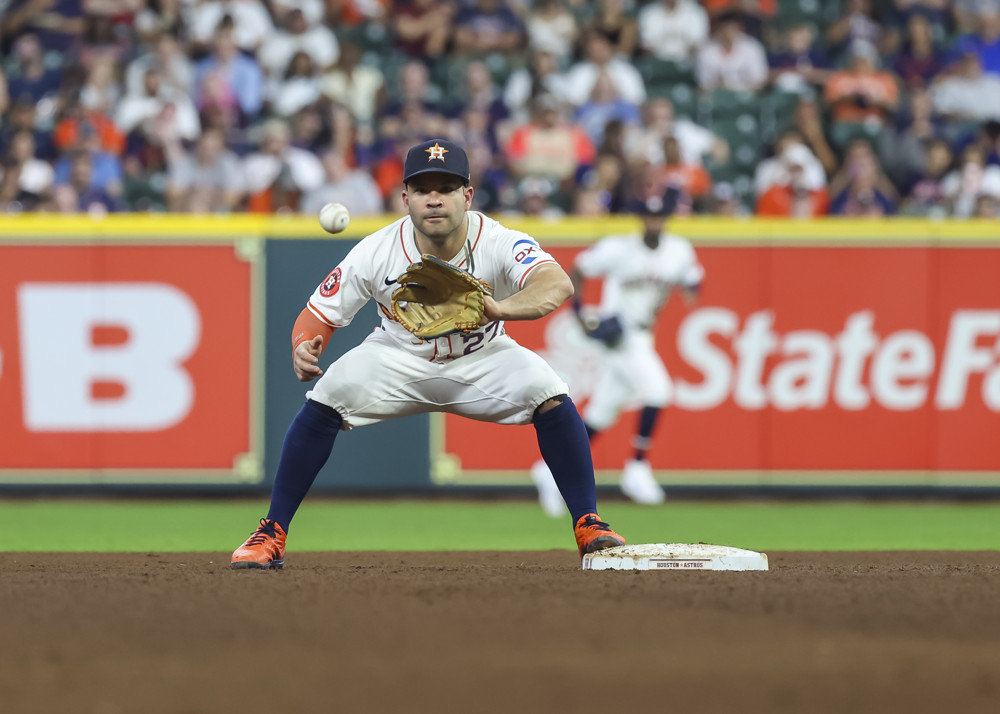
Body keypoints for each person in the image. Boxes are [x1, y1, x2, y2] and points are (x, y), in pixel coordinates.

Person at [231, 139, 626, 568]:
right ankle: (271, 532)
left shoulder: (496, 239)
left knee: (551, 394)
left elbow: (557, 284)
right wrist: (303, 346)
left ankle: (589, 523)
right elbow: (316, 315)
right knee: (325, 398)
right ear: (406, 199)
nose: (434, 198)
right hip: (399, 356)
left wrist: (499, 308)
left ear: (467, 196)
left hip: (483, 355)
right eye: (422, 189)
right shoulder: (377, 249)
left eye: (446, 187)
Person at [531, 187, 704, 517]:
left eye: (658, 215)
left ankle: (548, 469)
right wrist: (580, 312)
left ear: (666, 217)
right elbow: (580, 267)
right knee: (658, 390)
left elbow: (693, 275)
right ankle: (636, 468)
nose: (653, 221)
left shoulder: (678, 250)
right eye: (648, 215)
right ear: (641, 218)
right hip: (619, 335)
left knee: (602, 413)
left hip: (644, 334)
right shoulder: (620, 249)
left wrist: (692, 288)